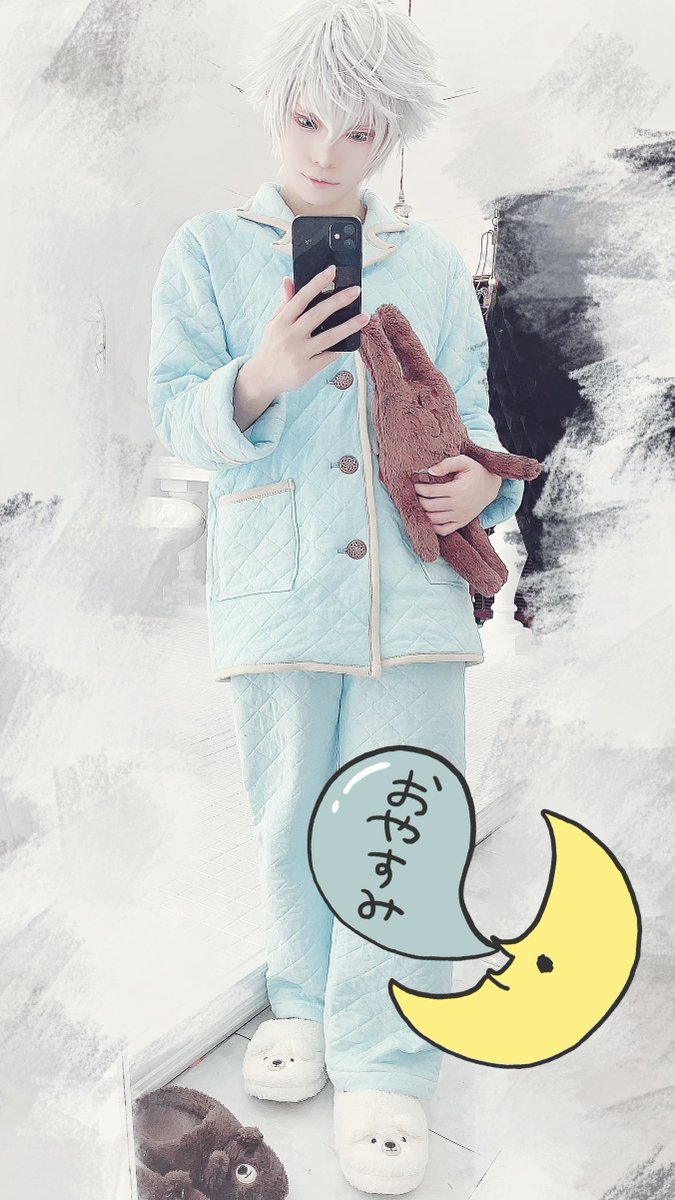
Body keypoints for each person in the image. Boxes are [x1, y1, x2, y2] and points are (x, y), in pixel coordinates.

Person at [147, 0, 524, 1192]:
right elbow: (177, 419)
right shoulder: (208, 250)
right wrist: (262, 374)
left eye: (359, 132)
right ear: (276, 109)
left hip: (413, 592)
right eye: (309, 120)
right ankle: (303, 1004)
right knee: (290, 813)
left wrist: (482, 484)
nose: (327, 151)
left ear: (388, 135)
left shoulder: (431, 264)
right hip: (279, 585)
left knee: (400, 819)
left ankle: (386, 1059)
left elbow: (473, 413)